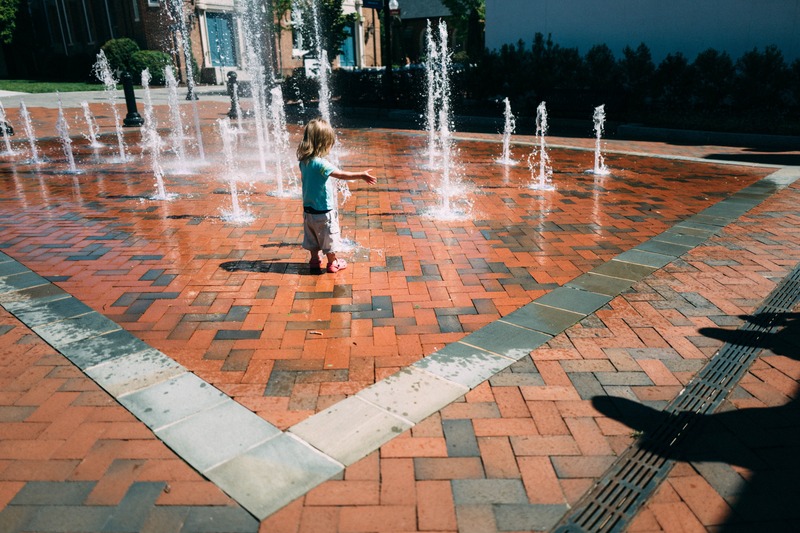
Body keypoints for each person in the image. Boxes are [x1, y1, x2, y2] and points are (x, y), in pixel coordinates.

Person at [296, 118, 376, 273]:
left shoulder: (304, 162)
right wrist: (361, 175)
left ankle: (314, 260)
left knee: (312, 237)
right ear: (323, 142)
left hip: (308, 211)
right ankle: (333, 263)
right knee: (329, 237)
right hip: (324, 211)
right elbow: (341, 174)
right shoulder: (321, 163)